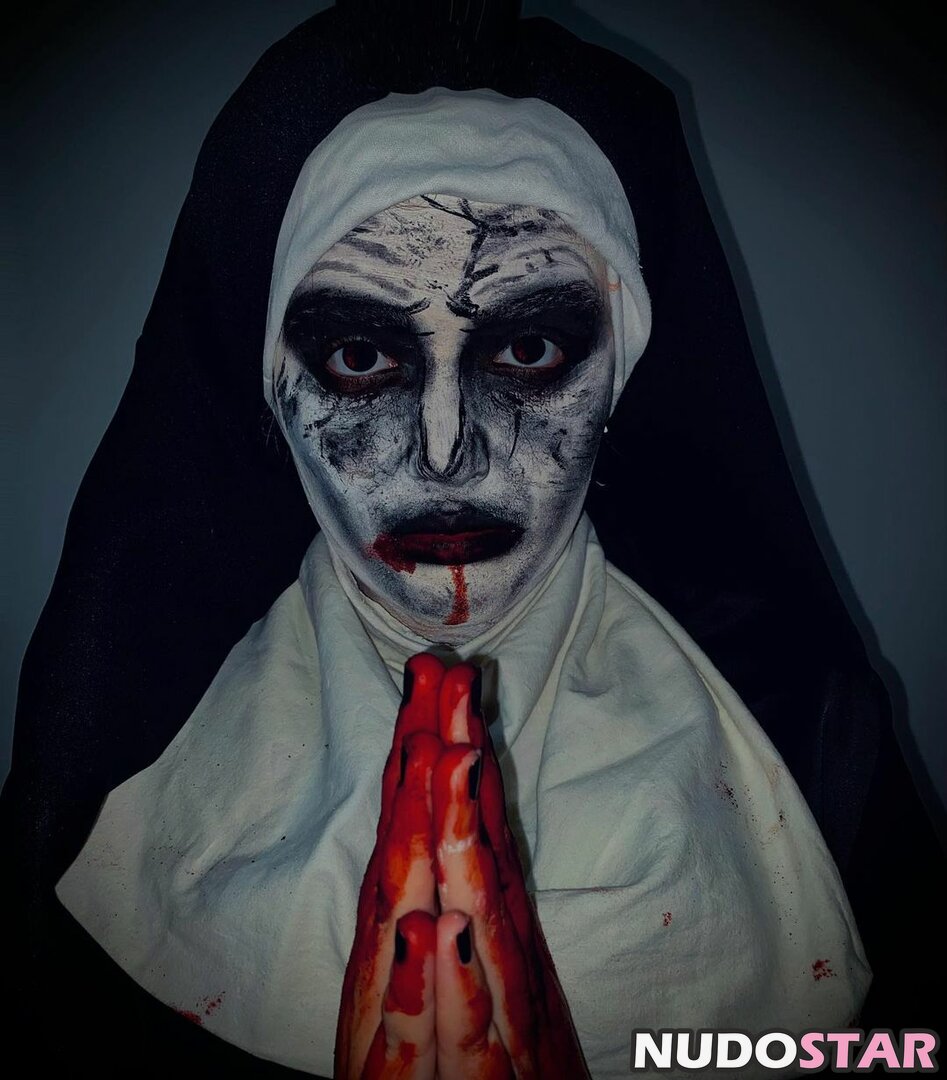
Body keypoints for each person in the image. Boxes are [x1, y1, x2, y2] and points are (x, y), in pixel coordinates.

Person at [5, 4, 943, 1077]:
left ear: (621, 376)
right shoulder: (132, 799)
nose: (446, 455)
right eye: (360, 357)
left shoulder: (811, 745)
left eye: (530, 347)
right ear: (267, 388)